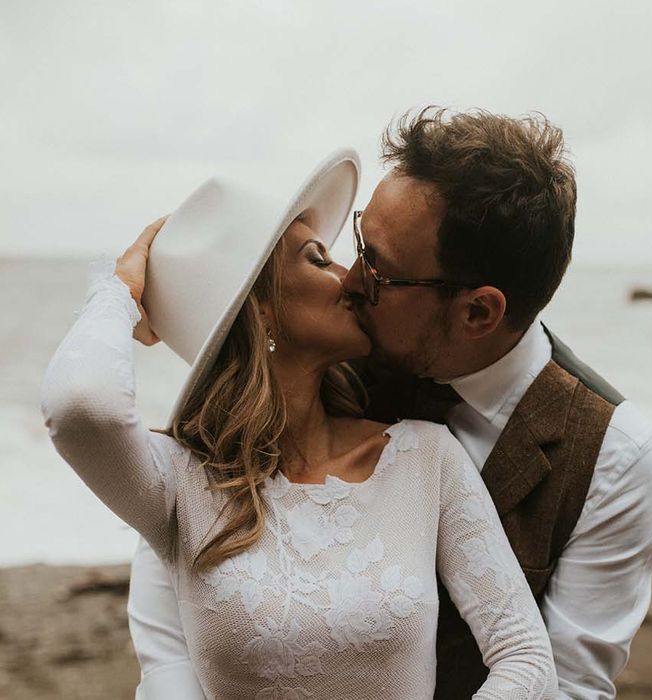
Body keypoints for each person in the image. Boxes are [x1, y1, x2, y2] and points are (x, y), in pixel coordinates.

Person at [128, 109, 652, 699]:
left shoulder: (612, 451)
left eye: (381, 270)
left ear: (478, 312)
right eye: (359, 244)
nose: (350, 280)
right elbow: (169, 633)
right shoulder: (324, 365)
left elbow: (569, 686)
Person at [39, 150, 558, 700]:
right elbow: (80, 407)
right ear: (260, 308)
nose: (350, 279)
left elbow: (524, 654)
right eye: (317, 259)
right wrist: (117, 292)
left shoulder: (425, 458)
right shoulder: (176, 485)